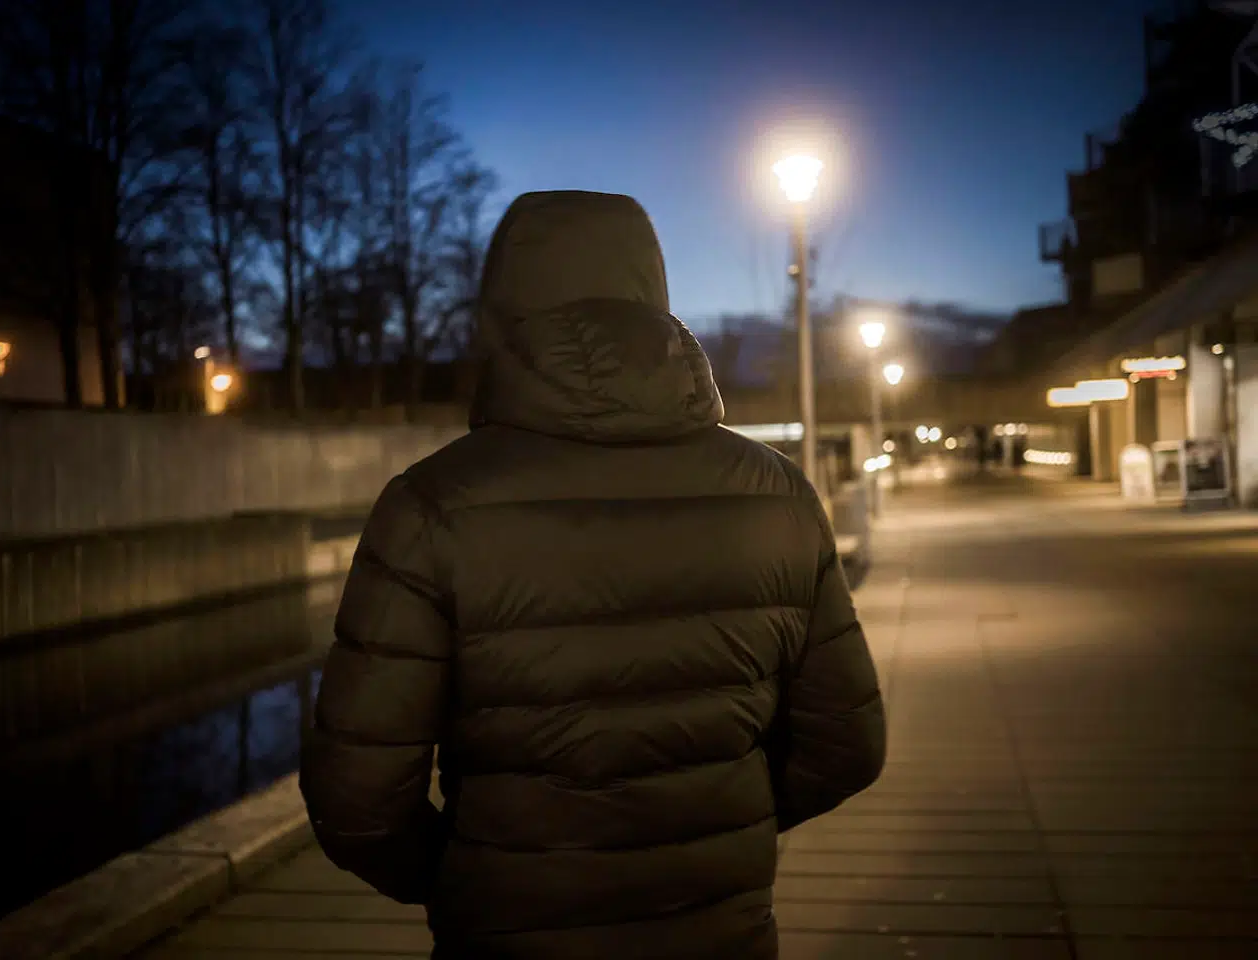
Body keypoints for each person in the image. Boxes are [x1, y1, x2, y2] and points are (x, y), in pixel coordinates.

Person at [300, 190, 887, 960]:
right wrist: (720, 827)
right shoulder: (776, 493)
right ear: (654, 296)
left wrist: (459, 876)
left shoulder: (430, 507)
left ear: (498, 317)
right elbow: (849, 746)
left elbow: (358, 799)